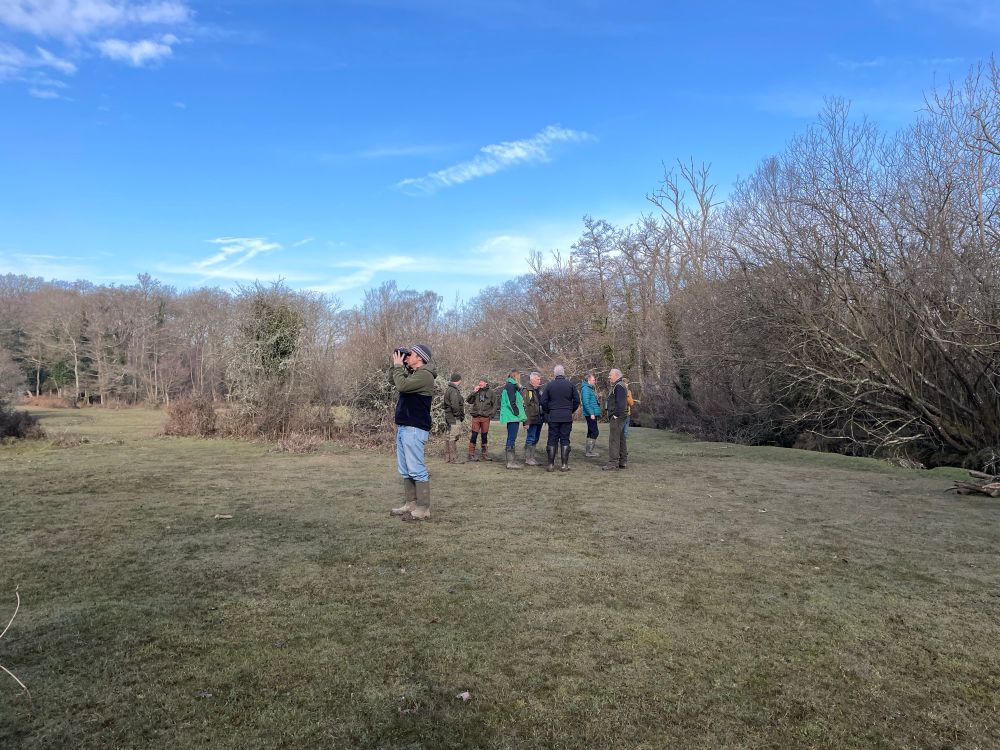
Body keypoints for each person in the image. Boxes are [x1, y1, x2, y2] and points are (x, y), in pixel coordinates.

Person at [389, 344, 436, 520]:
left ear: (420, 358)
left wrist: (398, 368)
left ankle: (423, 508)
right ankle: (411, 504)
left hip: (415, 427)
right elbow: (393, 381)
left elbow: (401, 386)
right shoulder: (414, 374)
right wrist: (395, 364)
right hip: (405, 426)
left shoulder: (425, 375)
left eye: (411, 354)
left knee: (416, 468)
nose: (408, 356)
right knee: (405, 469)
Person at [540, 364, 580, 472]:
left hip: (553, 416)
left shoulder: (550, 385)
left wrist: (549, 410)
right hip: (566, 416)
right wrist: (570, 410)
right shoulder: (570, 385)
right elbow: (577, 401)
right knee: (565, 439)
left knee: (552, 439)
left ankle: (550, 465)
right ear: (563, 373)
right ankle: (564, 465)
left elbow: (543, 401)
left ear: (555, 374)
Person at [602, 368, 628, 471]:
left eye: (610, 375)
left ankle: (613, 463)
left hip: (617, 417)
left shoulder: (619, 386)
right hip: (621, 416)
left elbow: (620, 403)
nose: (609, 377)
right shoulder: (620, 385)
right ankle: (622, 461)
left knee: (614, 439)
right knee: (621, 438)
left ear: (616, 375)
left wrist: (615, 415)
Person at [499, 369, 526, 469]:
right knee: (511, 438)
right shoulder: (511, 385)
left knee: (511, 437)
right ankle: (510, 463)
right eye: (519, 376)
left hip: (512, 415)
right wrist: (517, 413)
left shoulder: (511, 385)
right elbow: (511, 401)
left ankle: (511, 461)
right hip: (512, 416)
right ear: (516, 376)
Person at [466, 378, 497, 461]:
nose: (480, 384)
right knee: (474, 435)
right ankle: (471, 454)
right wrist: (474, 392)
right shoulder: (476, 391)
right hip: (476, 417)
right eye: (479, 382)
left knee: (484, 436)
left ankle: (485, 455)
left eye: (482, 382)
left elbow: (495, 405)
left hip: (485, 417)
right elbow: (469, 401)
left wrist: (491, 416)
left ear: (486, 383)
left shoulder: (491, 392)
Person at [521, 371, 544, 465]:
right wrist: (526, 421)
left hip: (539, 418)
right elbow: (525, 406)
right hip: (531, 419)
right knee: (530, 438)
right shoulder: (527, 390)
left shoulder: (539, 390)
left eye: (540, 379)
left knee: (536, 438)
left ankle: (532, 457)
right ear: (532, 379)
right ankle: (528, 458)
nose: (539, 381)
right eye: (538, 379)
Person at [442, 372, 466, 463]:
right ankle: (453, 458)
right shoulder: (453, 390)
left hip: (449, 416)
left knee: (449, 436)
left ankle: (447, 457)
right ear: (458, 380)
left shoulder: (449, 389)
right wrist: (458, 415)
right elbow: (455, 405)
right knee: (453, 436)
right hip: (453, 417)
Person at [580, 373, 601, 457]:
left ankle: (588, 451)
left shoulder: (589, 388)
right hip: (591, 414)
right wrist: (591, 413)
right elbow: (585, 403)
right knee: (595, 432)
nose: (594, 381)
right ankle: (589, 452)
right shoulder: (586, 389)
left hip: (592, 413)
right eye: (593, 380)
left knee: (591, 431)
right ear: (588, 380)